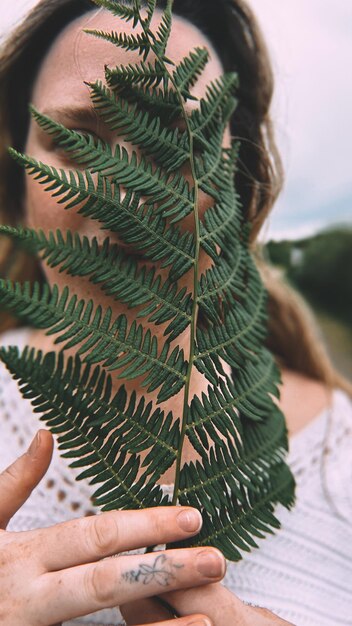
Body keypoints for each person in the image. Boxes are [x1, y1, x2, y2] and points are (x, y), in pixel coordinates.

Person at [0, 0, 351, 625]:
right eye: (77, 143)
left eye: (172, 142)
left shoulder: (341, 462)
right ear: (17, 186)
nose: (125, 197)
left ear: (239, 188)